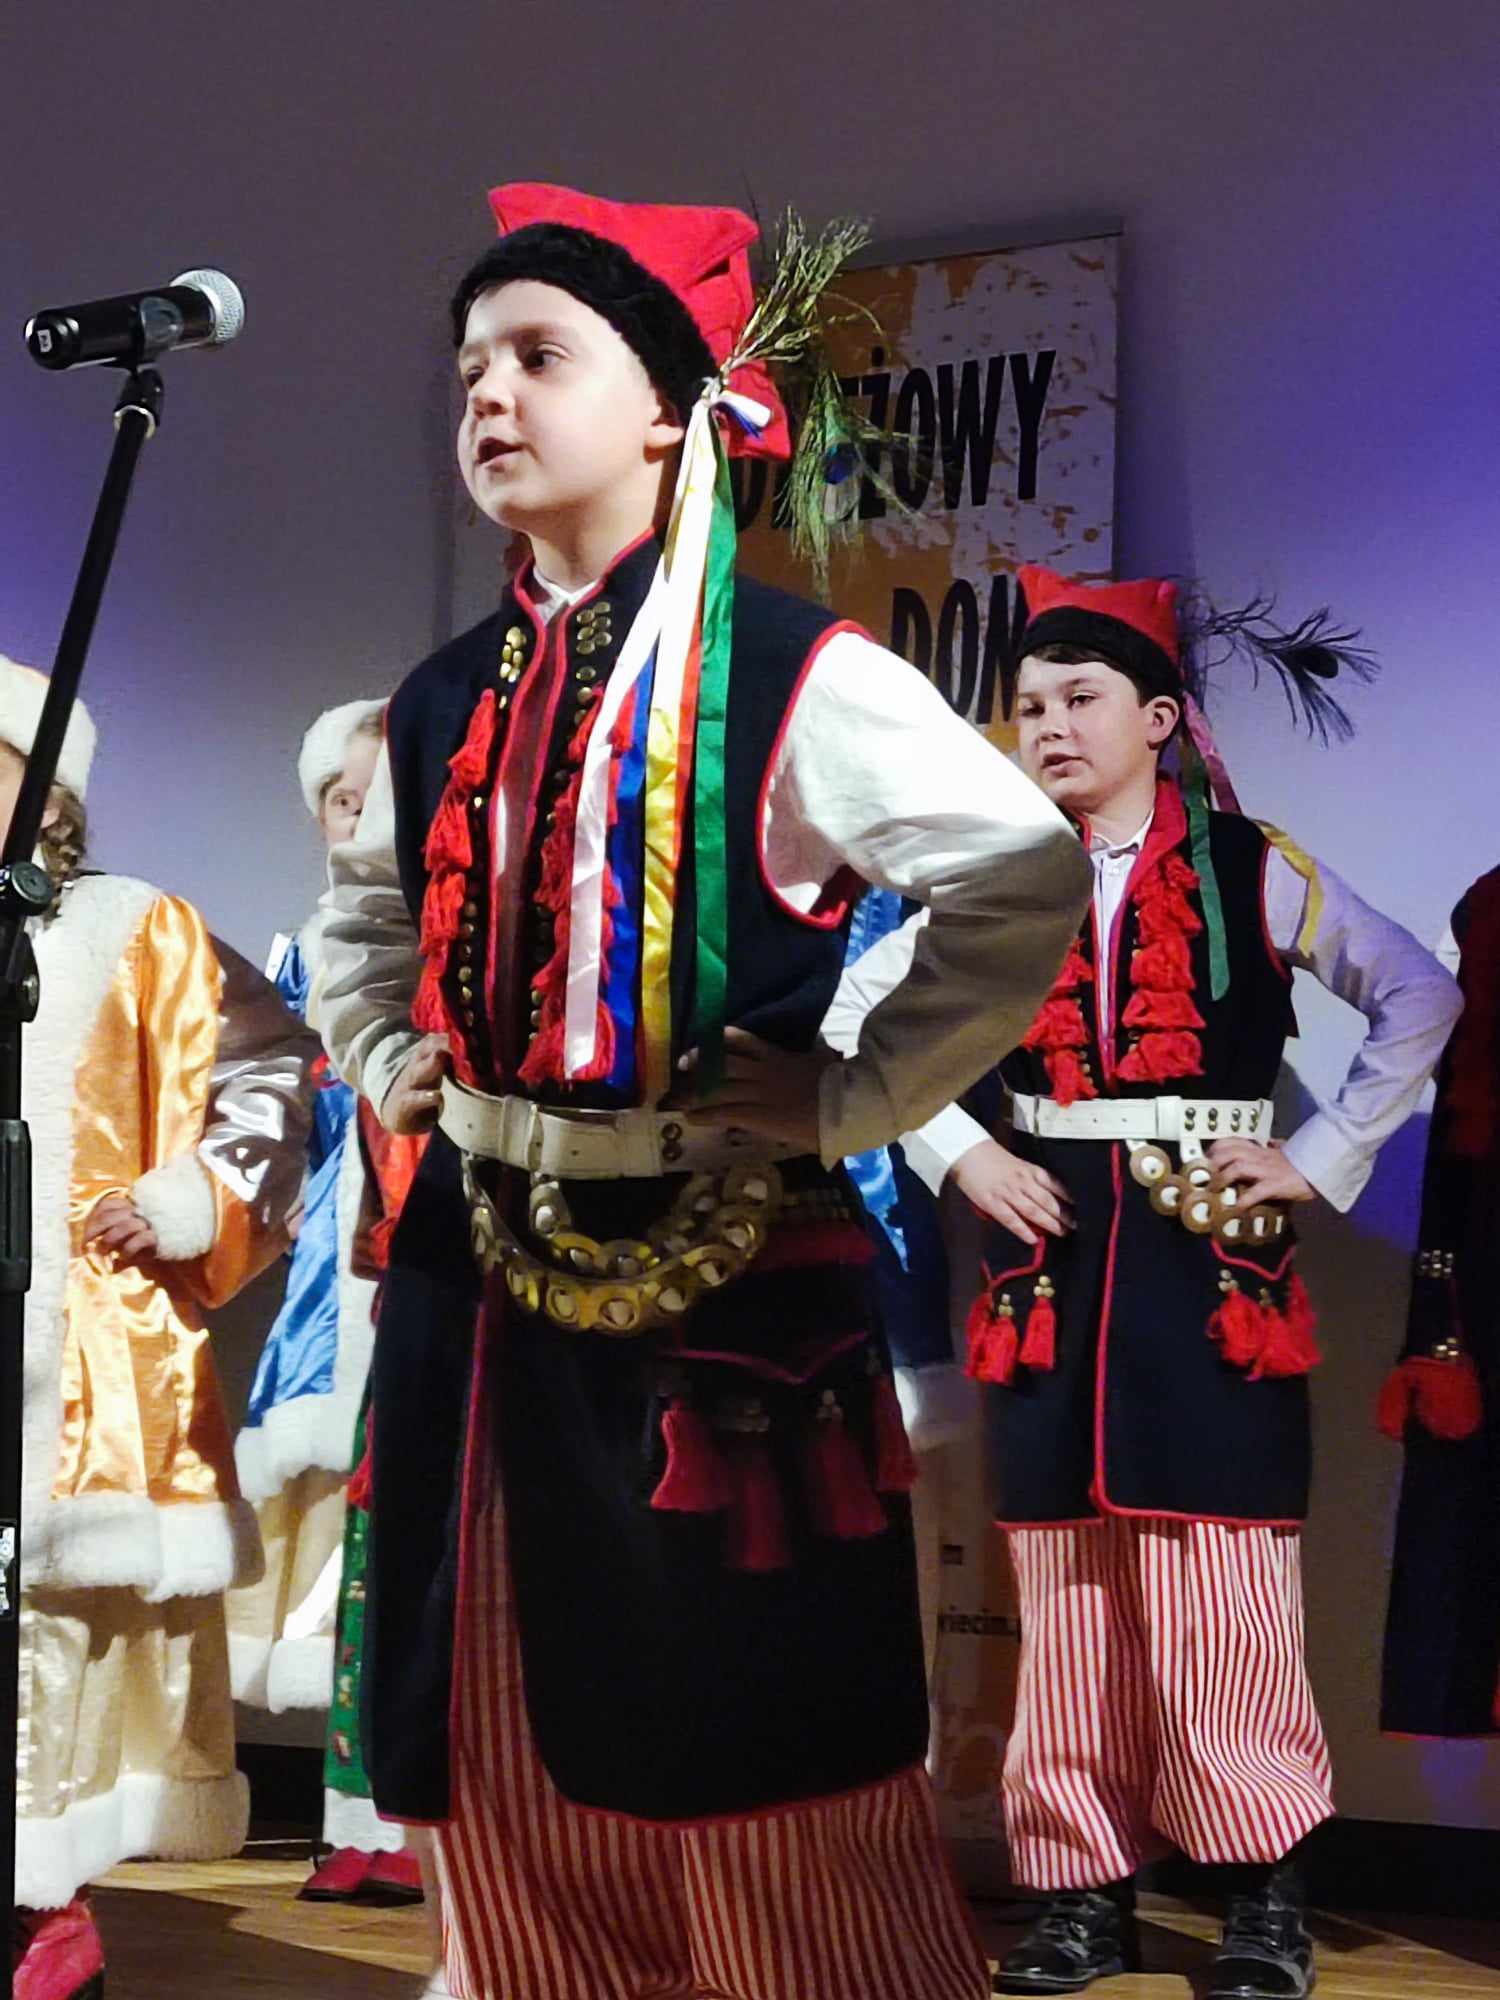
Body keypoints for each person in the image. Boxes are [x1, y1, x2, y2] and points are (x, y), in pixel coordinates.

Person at [318, 183, 1092, 2000]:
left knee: (752, 1750)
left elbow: (1019, 875)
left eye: (538, 356)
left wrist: (854, 1093)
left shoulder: (797, 673)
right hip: (473, 1280)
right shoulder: (438, 698)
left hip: (722, 1286)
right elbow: (363, 925)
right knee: (492, 1728)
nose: (487, 395)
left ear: (673, 407)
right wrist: (393, 1060)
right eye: (469, 367)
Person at [826, 565, 1462, 1999]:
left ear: (1159, 717)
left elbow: (1419, 993)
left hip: (1206, 1262)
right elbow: (861, 1016)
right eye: (1029, 703)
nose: (1050, 725)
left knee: (1222, 1586)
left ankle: (1261, 1897)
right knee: (1063, 1587)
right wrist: (964, 1155)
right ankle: (1080, 1897)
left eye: (1082, 697)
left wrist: (1321, 1153)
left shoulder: (1250, 866)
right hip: (1050, 1267)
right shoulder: (999, 879)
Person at [4, 655, 316, 2000]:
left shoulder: (135, 927)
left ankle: (43, 1913)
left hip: (76, 1351)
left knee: (53, 1640)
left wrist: (190, 1197)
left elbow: (272, 1067)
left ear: (45, 787)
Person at [226, 698, 423, 1906]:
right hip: (341, 1284)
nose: (364, 819)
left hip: (446, 1254)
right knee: (351, 1544)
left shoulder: (464, 947)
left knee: (426, 1535)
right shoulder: (302, 957)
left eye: (383, 797)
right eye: (347, 801)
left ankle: (427, 1818)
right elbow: (271, 1109)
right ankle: (357, 1813)